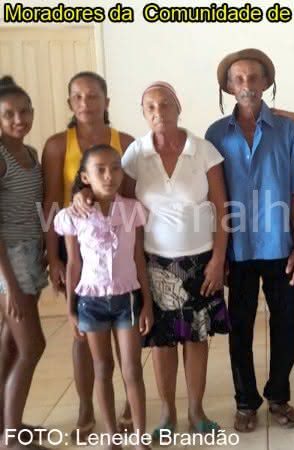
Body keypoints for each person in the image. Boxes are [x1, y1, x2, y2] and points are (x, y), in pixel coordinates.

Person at [206, 48, 294, 433]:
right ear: (228, 87)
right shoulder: (216, 134)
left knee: (288, 328)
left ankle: (279, 396)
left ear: (267, 82)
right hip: (238, 249)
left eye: (254, 77)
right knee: (240, 330)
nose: (247, 84)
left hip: (280, 247)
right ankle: (246, 401)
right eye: (238, 78)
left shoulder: (287, 131)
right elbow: (213, 199)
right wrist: (218, 253)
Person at [119, 81, 229, 438]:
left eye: (165, 104)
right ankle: (167, 413)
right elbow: (125, 211)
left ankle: (196, 412)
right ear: (143, 113)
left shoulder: (203, 150)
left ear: (178, 107)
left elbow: (222, 209)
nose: (158, 112)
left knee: (197, 338)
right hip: (155, 264)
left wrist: (218, 259)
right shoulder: (135, 155)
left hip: (200, 262)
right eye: (150, 106)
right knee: (161, 341)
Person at [41, 72, 134, 438]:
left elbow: (128, 197)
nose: (85, 103)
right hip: (78, 251)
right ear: (70, 103)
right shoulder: (56, 145)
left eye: (93, 96)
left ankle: (129, 402)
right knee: (83, 333)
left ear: (106, 101)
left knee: (123, 333)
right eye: (78, 97)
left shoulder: (125, 142)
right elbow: (51, 202)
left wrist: (93, 196)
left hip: (118, 252)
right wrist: (53, 259)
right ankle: (85, 404)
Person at [54, 144, 152, 450]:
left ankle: (140, 437)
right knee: (102, 368)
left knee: (132, 369)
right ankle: (111, 436)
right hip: (90, 303)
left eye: (115, 168)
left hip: (127, 300)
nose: (109, 175)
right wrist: (71, 310)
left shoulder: (132, 210)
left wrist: (147, 304)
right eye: (100, 170)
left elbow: (139, 258)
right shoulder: (73, 215)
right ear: (85, 177)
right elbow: (73, 264)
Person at [0, 76, 48, 449]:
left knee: (10, 347)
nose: (19, 119)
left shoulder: (30, 153)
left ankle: (6, 424)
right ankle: (13, 437)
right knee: (32, 347)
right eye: (9, 114)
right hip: (9, 263)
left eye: (24, 111)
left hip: (31, 254)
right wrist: (11, 286)